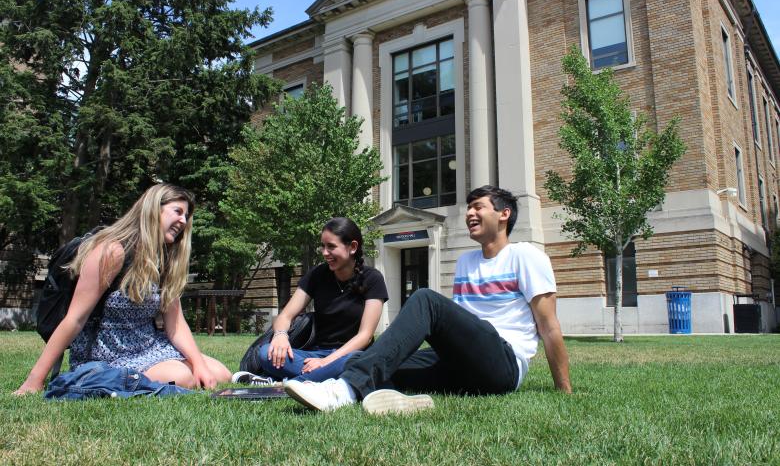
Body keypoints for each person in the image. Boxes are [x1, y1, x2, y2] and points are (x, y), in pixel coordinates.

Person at [284, 185, 572, 414]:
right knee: (367, 359)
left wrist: (564, 390)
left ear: (504, 214)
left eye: (478, 206)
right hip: (462, 365)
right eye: (468, 206)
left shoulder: (525, 256)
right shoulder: (467, 262)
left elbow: (549, 327)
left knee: (426, 299)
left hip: (503, 365)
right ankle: (397, 401)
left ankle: (341, 392)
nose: (470, 213)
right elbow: (458, 329)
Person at [14, 184, 232, 395]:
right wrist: (35, 380)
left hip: (149, 348)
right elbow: (75, 319)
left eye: (186, 216)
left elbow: (175, 324)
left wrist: (198, 363)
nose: (183, 221)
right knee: (186, 378)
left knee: (221, 374)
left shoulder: (164, 260)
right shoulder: (113, 252)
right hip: (108, 355)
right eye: (178, 212)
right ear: (154, 210)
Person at [242, 217, 387, 383]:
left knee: (351, 362)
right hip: (314, 355)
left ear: (353, 247)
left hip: (350, 354)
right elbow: (285, 316)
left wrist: (326, 362)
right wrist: (280, 336)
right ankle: (319, 380)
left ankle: (294, 381)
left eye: (331, 247)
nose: (325, 253)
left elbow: (365, 336)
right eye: (323, 246)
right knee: (265, 352)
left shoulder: (372, 279)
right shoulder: (317, 275)